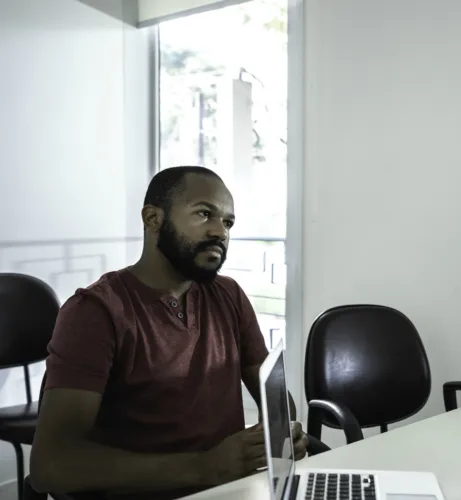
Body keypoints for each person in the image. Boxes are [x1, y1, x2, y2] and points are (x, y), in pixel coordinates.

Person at [30, 166, 309, 500]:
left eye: (228, 222)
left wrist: (279, 437)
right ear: (152, 219)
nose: (220, 231)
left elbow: (275, 401)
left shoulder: (230, 295)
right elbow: (52, 466)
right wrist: (206, 466)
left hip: (230, 491)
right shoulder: (95, 312)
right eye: (205, 214)